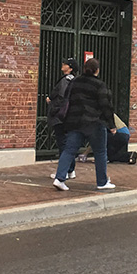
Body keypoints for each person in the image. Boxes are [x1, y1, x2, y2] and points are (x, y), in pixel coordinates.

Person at [52, 58, 115, 192]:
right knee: (100, 152)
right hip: (94, 122)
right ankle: (102, 182)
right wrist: (111, 125)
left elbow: (67, 99)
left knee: (69, 150)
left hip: (75, 121)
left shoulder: (75, 82)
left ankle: (59, 178)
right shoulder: (99, 85)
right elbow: (106, 106)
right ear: (97, 70)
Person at [47, 58, 80, 178]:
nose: (63, 65)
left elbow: (61, 98)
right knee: (68, 143)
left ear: (70, 68)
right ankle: (70, 170)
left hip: (61, 117)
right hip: (70, 116)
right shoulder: (75, 81)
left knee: (63, 144)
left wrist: (52, 106)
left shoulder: (65, 81)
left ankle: (64, 171)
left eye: (65, 64)